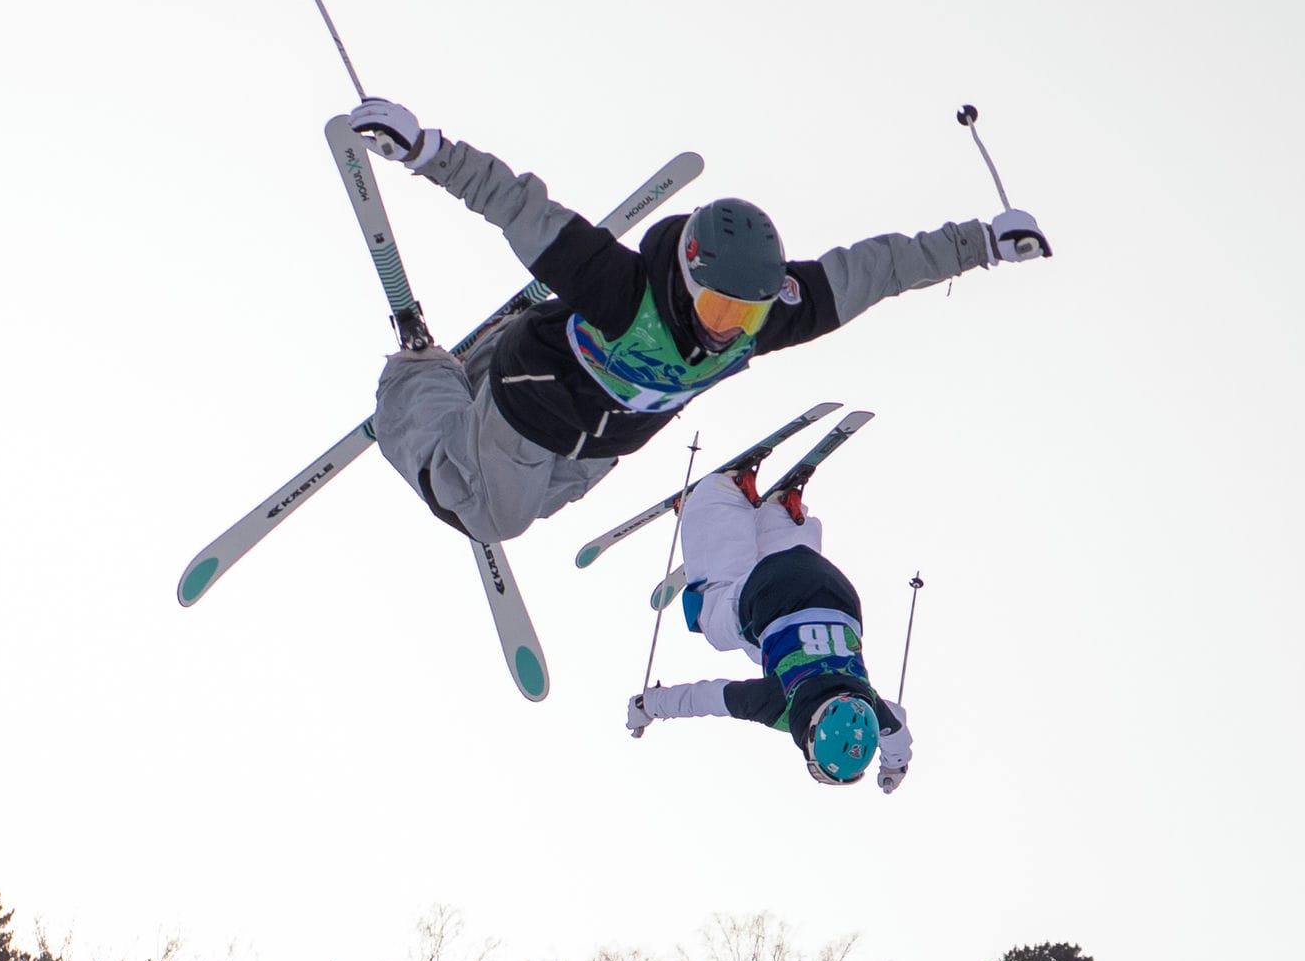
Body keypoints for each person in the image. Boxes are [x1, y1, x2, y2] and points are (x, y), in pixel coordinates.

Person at [341, 97, 1049, 556]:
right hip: (532, 404)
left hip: (603, 441)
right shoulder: (616, 285)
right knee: (492, 518)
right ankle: (418, 377)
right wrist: (425, 149)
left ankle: (481, 380)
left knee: (550, 498)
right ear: (686, 278)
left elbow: (876, 269)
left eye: (747, 316)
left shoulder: (765, 319)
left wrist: (981, 243)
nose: (728, 331)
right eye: (719, 311)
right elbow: (515, 203)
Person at [621, 465, 913, 788]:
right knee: (714, 617)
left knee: (765, 647)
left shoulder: (869, 704)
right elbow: (707, 698)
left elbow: (897, 730)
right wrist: (649, 705)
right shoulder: (779, 703)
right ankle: (718, 498)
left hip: (832, 588)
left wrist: (895, 766)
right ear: (812, 737)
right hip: (774, 590)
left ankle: (782, 517)